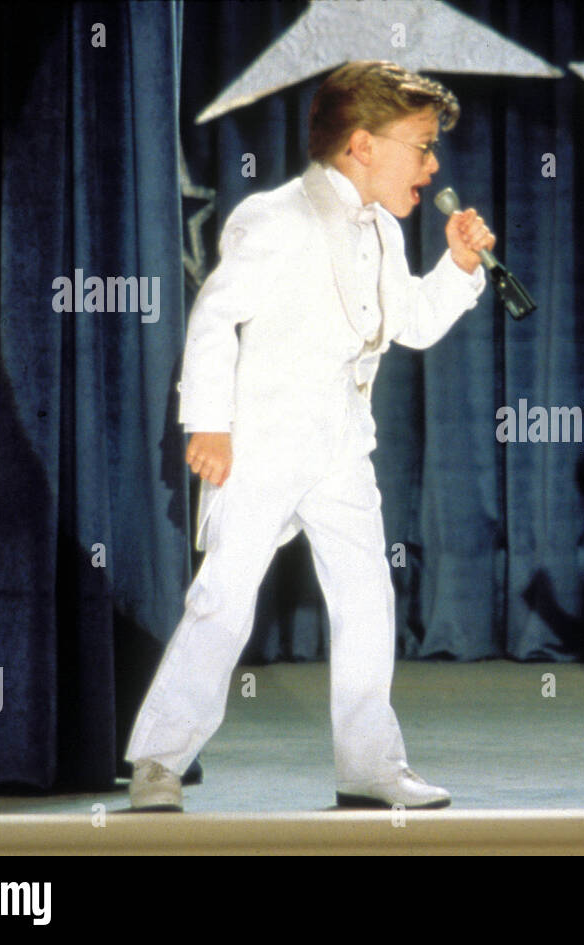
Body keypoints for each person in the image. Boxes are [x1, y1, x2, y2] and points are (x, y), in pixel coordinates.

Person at [126, 60, 495, 811]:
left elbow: (410, 324)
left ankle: (369, 765)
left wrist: (458, 268)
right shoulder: (275, 216)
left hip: (343, 447)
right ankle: (159, 761)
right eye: (423, 146)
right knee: (224, 598)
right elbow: (215, 317)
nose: (433, 166)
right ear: (363, 145)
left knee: (366, 598)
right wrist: (211, 423)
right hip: (264, 443)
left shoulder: (385, 230)